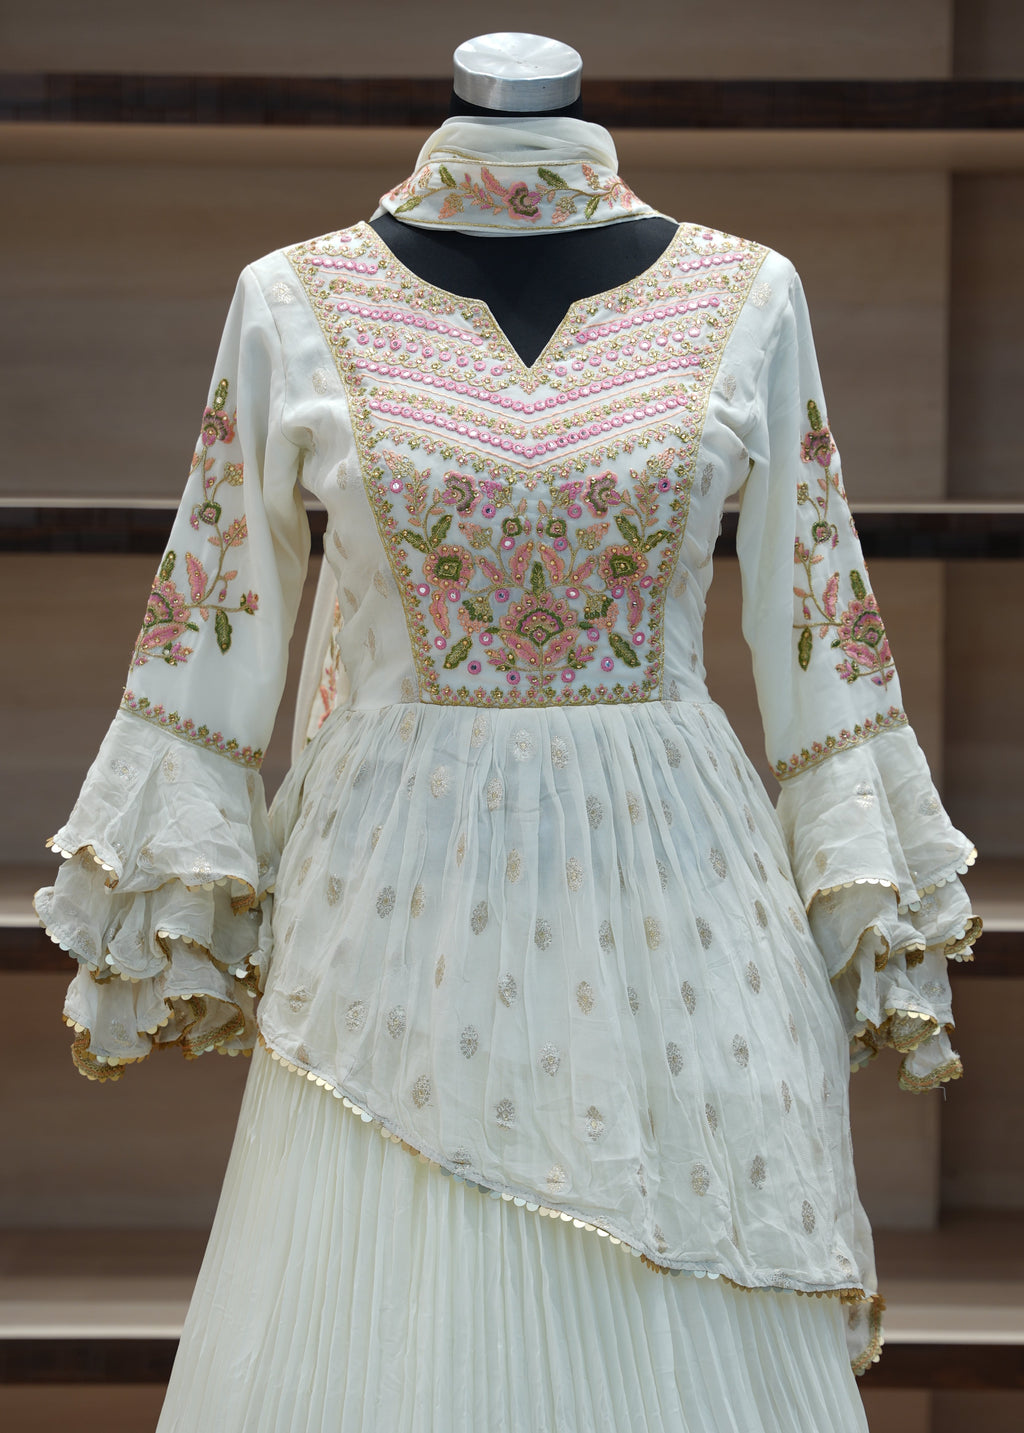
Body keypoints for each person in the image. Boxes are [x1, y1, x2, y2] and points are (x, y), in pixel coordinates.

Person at [35, 32, 980, 1433]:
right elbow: (224, 599)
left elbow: (815, 609)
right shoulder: (294, 300)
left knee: (670, 1272)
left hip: (675, 887)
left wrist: (863, 870)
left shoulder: (748, 296)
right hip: (391, 895)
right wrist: (187, 847)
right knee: (394, 1297)